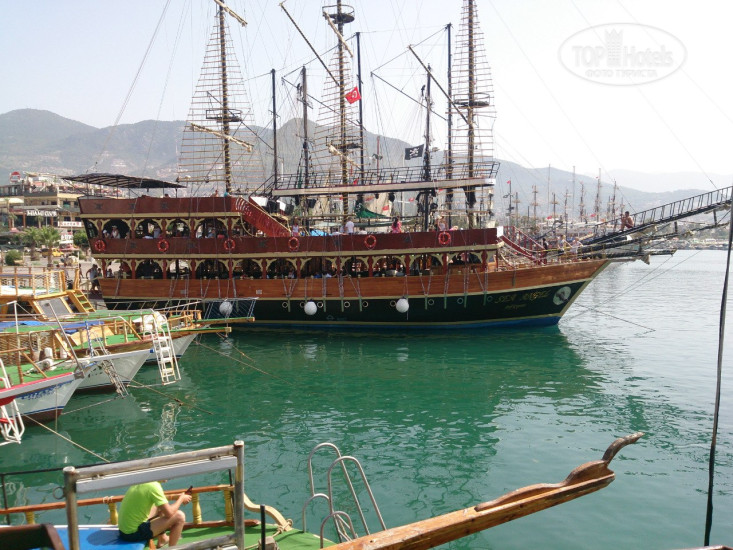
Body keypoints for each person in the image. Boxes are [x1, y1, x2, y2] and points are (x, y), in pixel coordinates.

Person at [118, 481, 191, 547]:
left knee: (159, 505)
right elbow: (169, 513)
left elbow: (157, 498)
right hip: (133, 534)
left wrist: (174, 497)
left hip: (124, 531)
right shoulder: (154, 486)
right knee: (179, 516)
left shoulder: (143, 481)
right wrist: (181, 499)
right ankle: (172, 548)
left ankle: (163, 539)